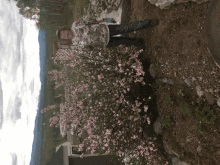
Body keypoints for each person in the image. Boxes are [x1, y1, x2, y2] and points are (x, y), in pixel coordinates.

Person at [55, 17, 159, 52]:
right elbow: (89, 50)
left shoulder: (75, 24)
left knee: (127, 27)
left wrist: (105, 19)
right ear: (65, 39)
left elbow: (91, 20)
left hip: (106, 29)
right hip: (105, 43)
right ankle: (141, 42)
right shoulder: (75, 44)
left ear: (65, 29)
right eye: (63, 36)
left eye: (63, 33)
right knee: (125, 42)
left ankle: (147, 23)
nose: (65, 35)